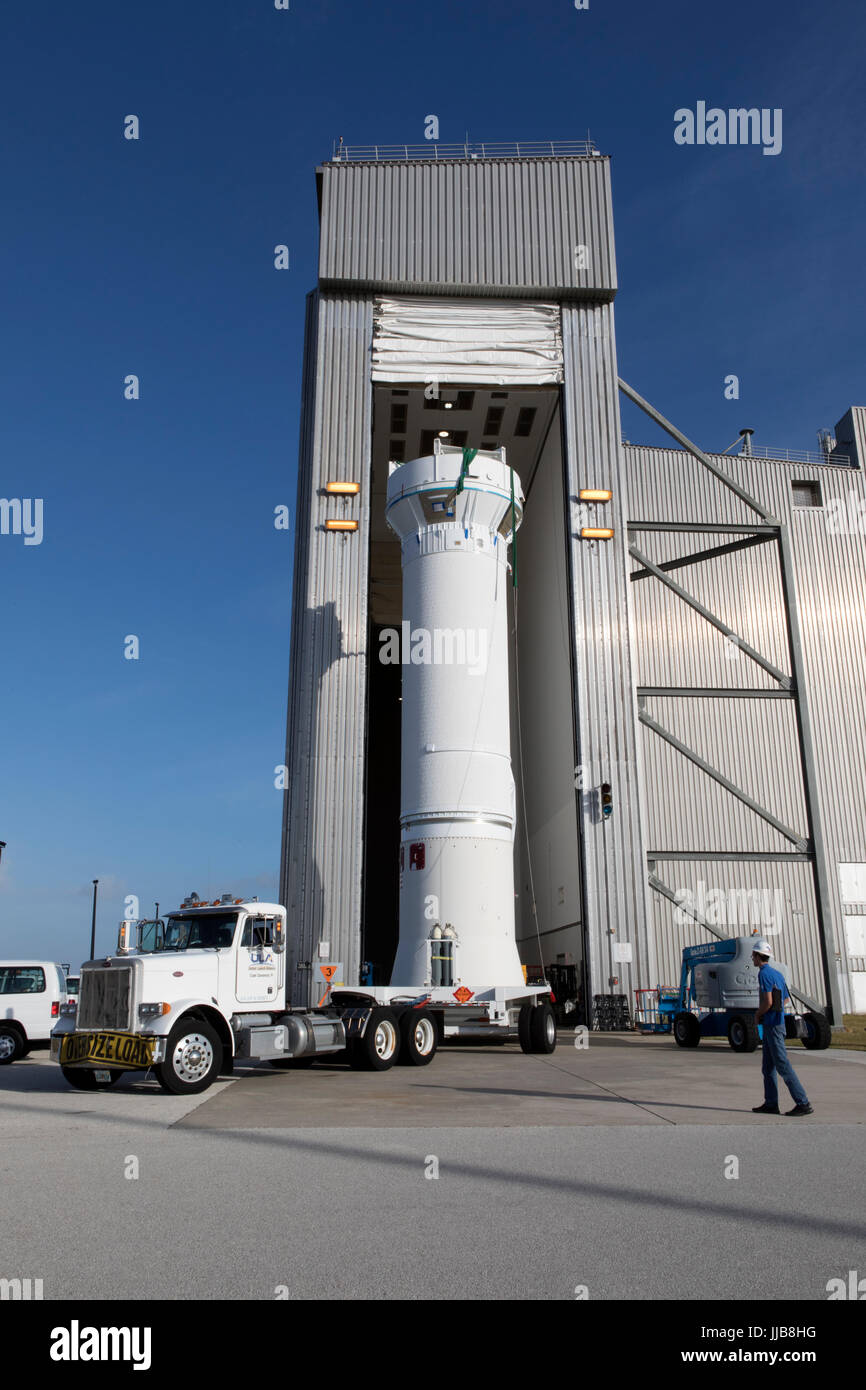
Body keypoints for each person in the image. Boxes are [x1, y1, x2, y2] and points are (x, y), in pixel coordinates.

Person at [750, 939, 813, 1117]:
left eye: (753, 955)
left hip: (772, 1025)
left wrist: (757, 1014)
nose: (751, 958)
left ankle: (803, 1102)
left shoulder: (763, 974)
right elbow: (785, 999)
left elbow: (768, 1001)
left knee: (783, 1065)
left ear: (757, 956)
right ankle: (771, 1103)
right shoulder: (777, 974)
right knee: (768, 1067)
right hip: (777, 1023)